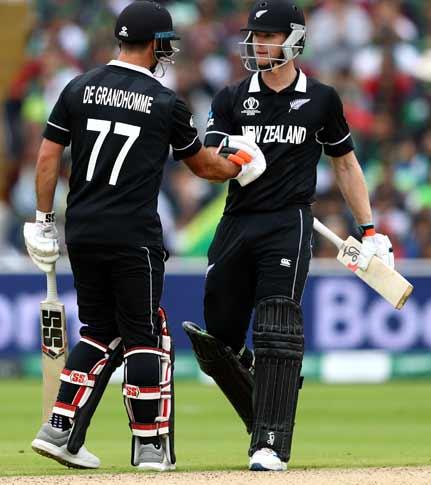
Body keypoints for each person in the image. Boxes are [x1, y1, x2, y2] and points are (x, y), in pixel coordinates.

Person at [23, 0, 266, 472]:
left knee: (98, 333)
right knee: (144, 335)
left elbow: (48, 157)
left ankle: (59, 428)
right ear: (154, 45)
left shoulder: (78, 86)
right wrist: (241, 164)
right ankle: (150, 446)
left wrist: (43, 220)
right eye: (165, 46)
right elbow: (202, 166)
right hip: (133, 234)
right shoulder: (165, 102)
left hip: (84, 230)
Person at [183, 0, 394, 472]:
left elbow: (345, 163)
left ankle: (270, 443)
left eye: (268, 36)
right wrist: (234, 155)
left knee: (277, 324)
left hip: (289, 223)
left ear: (293, 40)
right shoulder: (232, 98)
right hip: (237, 220)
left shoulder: (321, 99)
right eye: (254, 36)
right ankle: (267, 393)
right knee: (218, 337)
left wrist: (370, 230)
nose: (258, 44)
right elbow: (211, 157)